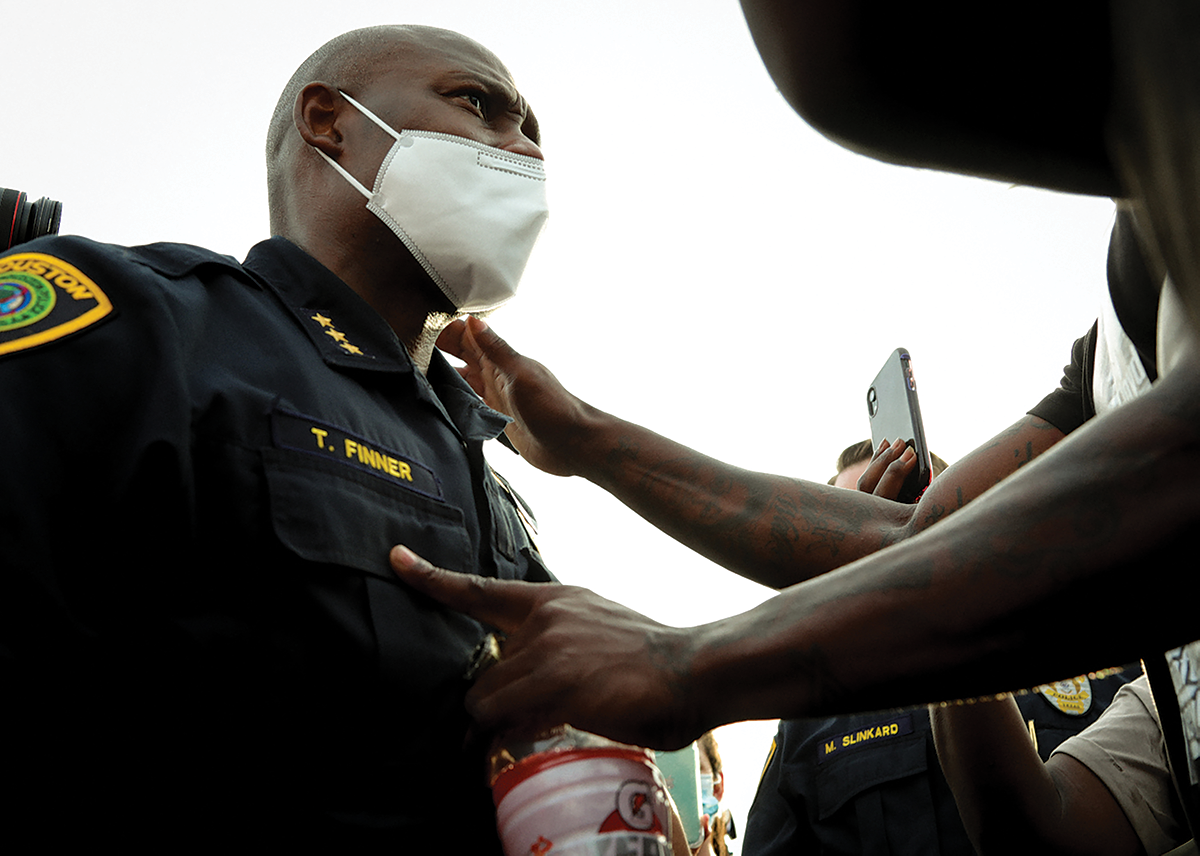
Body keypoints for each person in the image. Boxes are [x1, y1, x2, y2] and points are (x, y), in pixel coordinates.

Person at [0, 25, 552, 849]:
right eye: (481, 106)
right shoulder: (138, 322)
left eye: (535, 136)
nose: (522, 150)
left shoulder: (499, 480)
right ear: (330, 120)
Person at [743, 443, 1136, 855]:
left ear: (965, 519)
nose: (883, 539)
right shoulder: (812, 719)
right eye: (856, 520)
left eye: (905, 507)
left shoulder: (1101, 661)